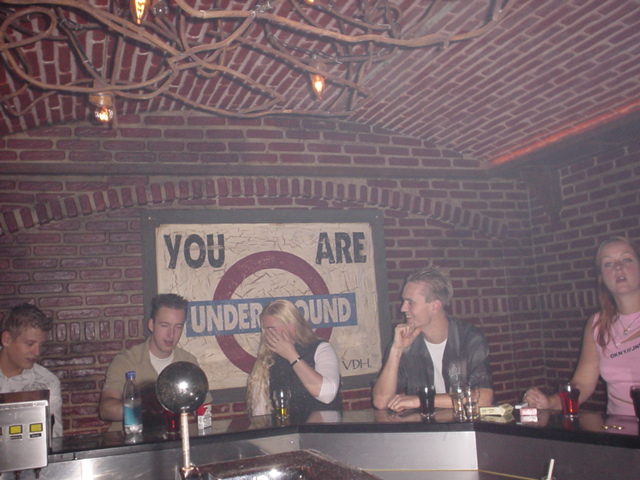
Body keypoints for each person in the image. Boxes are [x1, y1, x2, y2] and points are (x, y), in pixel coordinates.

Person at [525, 237, 640, 416]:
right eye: (608, 264)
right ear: (601, 278)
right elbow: (583, 384)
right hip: (618, 428)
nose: (618, 267)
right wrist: (550, 402)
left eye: (626, 260)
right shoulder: (597, 324)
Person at [372, 265, 494, 411]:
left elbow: (484, 398)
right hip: (426, 425)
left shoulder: (469, 338)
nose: (403, 308)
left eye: (410, 302)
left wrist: (422, 400)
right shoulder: (405, 343)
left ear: (435, 306)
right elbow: (381, 402)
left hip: (465, 424)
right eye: (404, 302)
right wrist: (396, 350)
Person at [99, 293, 199, 431]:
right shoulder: (126, 361)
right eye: (164, 325)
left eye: (178, 327)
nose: (171, 334)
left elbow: (203, 409)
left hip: (173, 439)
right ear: (151, 325)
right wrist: (143, 409)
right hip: (131, 439)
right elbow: (105, 409)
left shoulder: (188, 362)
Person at [246, 299, 342, 418]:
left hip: (324, 427)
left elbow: (326, 395)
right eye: (265, 329)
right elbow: (260, 413)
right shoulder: (267, 359)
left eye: (271, 328)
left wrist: (292, 355)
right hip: (287, 428)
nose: (267, 334)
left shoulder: (321, 349)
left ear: (291, 326)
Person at [0, 303, 63, 437]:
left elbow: (53, 437)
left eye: (41, 345)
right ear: (6, 339)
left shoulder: (48, 382)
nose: (37, 352)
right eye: (30, 344)